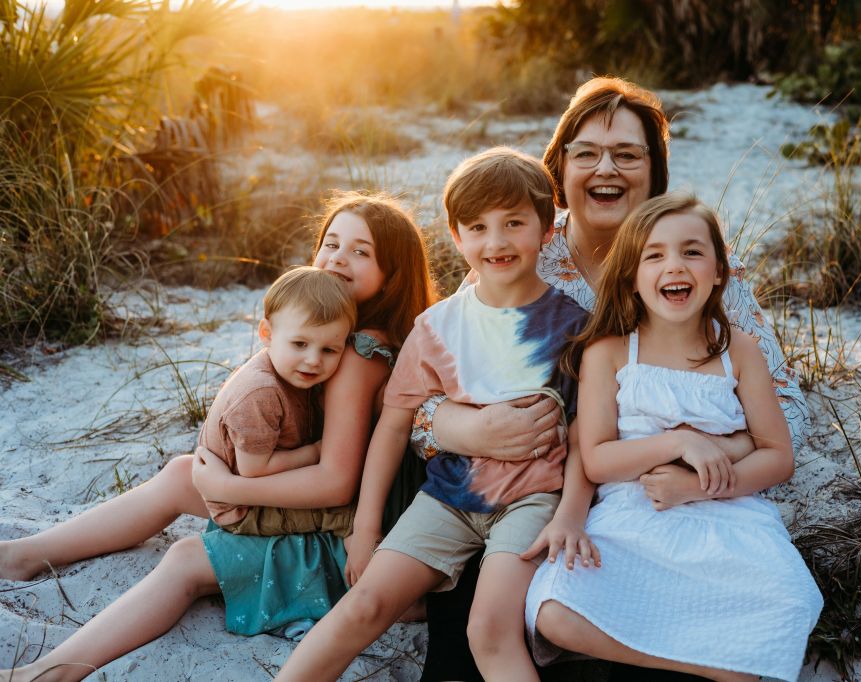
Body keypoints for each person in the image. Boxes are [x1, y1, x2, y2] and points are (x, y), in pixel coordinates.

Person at [416, 76, 810, 681]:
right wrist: (467, 427)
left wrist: (701, 455)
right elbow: (425, 400)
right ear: (559, 169)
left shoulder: (702, 273)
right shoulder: (518, 258)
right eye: (587, 154)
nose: (608, 168)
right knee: (494, 606)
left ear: (655, 173)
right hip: (537, 492)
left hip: (671, 505)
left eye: (628, 154)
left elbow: (789, 412)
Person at [1, 193, 435, 682]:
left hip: (354, 540)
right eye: (331, 242)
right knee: (180, 474)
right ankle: (21, 555)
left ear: (392, 273)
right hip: (338, 512)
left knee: (187, 558)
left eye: (361, 251)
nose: (337, 257)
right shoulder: (336, 330)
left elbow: (336, 482)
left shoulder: (359, 355)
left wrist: (231, 489)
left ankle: (46, 673)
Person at [274, 148, 597, 682]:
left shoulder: (574, 327)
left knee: (490, 630)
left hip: (533, 501)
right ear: (456, 236)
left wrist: (570, 513)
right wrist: (367, 526)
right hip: (447, 498)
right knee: (363, 606)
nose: (495, 242)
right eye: (478, 227)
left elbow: (589, 430)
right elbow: (394, 426)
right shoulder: (437, 327)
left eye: (514, 223)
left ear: (546, 229)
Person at [526, 192, 822, 682]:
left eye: (692, 251)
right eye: (654, 255)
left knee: (788, 600)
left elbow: (777, 455)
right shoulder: (610, 352)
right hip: (633, 519)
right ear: (632, 276)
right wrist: (678, 443)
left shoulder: (740, 353)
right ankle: (709, 665)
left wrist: (696, 485)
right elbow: (597, 459)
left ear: (720, 271)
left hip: (728, 519)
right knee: (555, 612)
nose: (674, 266)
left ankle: (727, 660)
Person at [199, 265, 357, 538]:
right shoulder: (260, 392)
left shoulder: (290, 371)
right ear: (267, 334)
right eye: (300, 344)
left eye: (329, 350)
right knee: (351, 514)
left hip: (257, 490)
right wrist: (317, 452)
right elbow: (253, 470)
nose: (314, 360)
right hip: (244, 508)